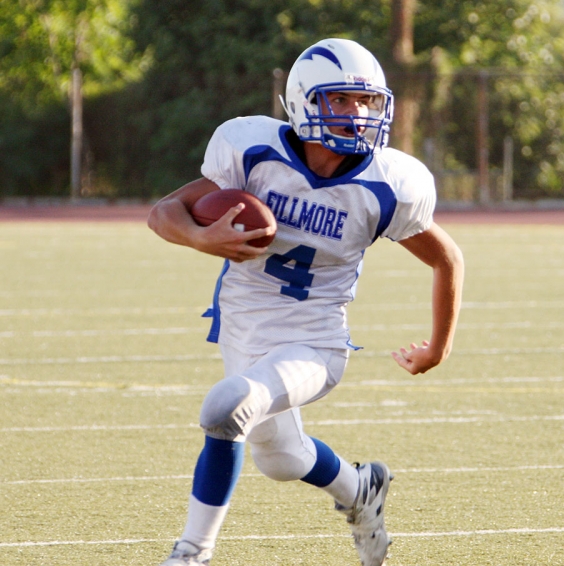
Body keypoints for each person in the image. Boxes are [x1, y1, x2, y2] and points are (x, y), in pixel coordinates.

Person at [148, 37, 464, 566]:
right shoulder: (254, 151)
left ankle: (191, 554)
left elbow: (446, 258)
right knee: (280, 457)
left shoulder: (386, 184)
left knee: (227, 408)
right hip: (242, 326)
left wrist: (440, 347)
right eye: (340, 100)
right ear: (303, 101)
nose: (356, 114)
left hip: (314, 342)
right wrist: (201, 238)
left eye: (366, 102)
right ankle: (361, 488)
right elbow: (164, 212)